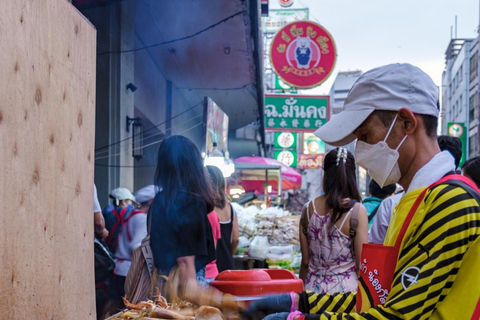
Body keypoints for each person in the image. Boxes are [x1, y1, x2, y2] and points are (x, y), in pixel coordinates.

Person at [242, 63, 480, 320]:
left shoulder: (452, 202)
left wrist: (298, 318)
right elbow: (379, 295)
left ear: (407, 122)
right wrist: (300, 302)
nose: (362, 150)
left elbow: (398, 316)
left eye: (365, 135)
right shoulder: (413, 199)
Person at [299, 148, 368, 294]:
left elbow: (305, 261)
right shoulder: (356, 211)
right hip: (346, 294)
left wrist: (300, 295)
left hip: (312, 291)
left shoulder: (307, 209)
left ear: (325, 175)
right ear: (351, 176)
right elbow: (361, 264)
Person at [149, 135, 216, 285]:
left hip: (160, 284)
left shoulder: (159, 201)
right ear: (194, 165)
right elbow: (185, 262)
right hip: (184, 286)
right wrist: (190, 302)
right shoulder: (191, 203)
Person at [206, 165, 240, 273]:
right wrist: (229, 253)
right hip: (228, 263)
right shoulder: (230, 208)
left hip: (210, 265)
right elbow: (236, 239)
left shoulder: (207, 207)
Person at [103, 187, 139, 256]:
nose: (132, 205)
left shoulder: (107, 213)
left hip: (108, 254)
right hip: (123, 256)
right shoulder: (129, 213)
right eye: (131, 202)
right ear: (123, 201)